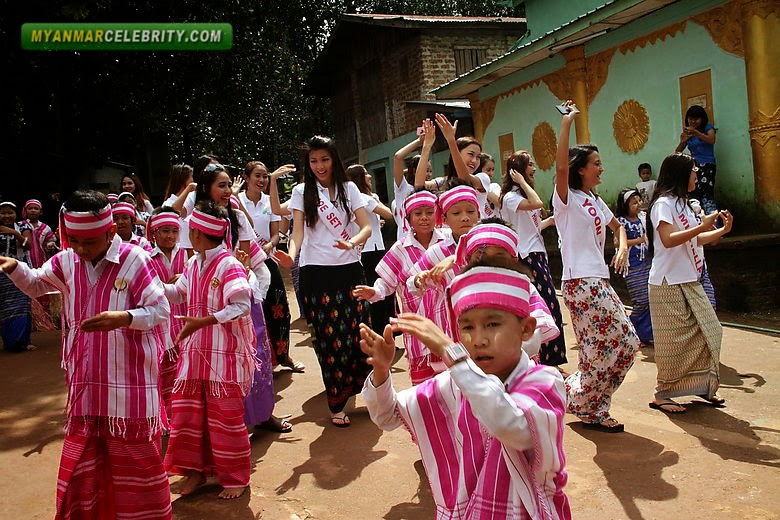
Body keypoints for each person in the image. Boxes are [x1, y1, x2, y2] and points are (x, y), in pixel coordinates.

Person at [0, 190, 172, 518]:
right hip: (86, 387)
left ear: (109, 233)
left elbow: (160, 308)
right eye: (74, 240)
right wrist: (15, 268)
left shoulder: (135, 260)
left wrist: (124, 318)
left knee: (139, 471)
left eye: (89, 241)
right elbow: (37, 283)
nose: (80, 248)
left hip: (130, 391)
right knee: (83, 468)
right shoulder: (68, 260)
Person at [360, 257, 571, 520]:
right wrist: (382, 371)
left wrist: (452, 354)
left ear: (526, 328)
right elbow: (388, 415)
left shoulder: (544, 381)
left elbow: (511, 425)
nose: (479, 339)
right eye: (467, 327)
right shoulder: (456, 381)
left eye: (493, 324)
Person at [553, 101, 639, 433]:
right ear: (581, 168)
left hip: (598, 280)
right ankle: (585, 400)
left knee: (618, 346)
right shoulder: (566, 199)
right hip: (579, 280)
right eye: (597, 163)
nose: (602, 168)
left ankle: (585, 400)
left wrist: (621, 251)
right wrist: (566, 124)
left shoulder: (594, 199)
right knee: (619, 342)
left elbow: (618, 227)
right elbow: (560, 168)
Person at [276, 135, 374, 427]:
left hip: (349, 270)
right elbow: (297, 234)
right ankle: (337, 401)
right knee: (329, 341)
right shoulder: (301, 191)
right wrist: (291, 256)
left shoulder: (349, 188)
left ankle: (364, 392)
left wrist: (352, 242)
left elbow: (366, 226)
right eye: (314, 161)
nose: (319, 166)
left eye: (325, 159)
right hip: (316, 274)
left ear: (334, 160)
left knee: (359, 334)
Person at [163, 201, 255, 499]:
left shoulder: (228, 264)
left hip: (223, 358)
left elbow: (242, 305)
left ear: (199, 234)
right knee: (190, 419)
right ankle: (196, 473)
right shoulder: (195, 263)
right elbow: (179, 293)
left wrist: (204, 320)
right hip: (195, 357)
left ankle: (236, 477)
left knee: (226, 420)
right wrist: (152, 284)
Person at [646, 153, 733, 414]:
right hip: (666, 281)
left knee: (710, 331)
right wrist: (701, 226)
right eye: (693, 171)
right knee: (672, 343)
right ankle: (663, 393)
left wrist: (720, 231)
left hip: (688, 278)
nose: (697, 174)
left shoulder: (684, 205)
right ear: (681, 175)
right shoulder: (663, 204)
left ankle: (703, 386)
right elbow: (669, 239)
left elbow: (694, 241)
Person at [353, 190, 449, 384]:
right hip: (416, 324)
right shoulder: (401, 248)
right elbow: (387, 282)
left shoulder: (447, 240)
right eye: (418, 213)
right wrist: (375, 292)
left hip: (447, 321)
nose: (424, 218)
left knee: (453, 379)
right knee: (425, 384)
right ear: (409, 218)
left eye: (429, 212)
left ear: (437, 214)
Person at [499, 151, 567, 368]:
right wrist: (520, 181)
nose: (534, 169)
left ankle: (550, 359)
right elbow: (536, 203)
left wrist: (551, 221)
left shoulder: (520, 196)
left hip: (536, 253)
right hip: (527, 256)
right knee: (545, 307)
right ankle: (547, 360)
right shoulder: (511, 198)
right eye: (529, 165)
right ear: (518, 170)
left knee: (550, 307)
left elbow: (533, 226)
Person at [405, 184, 479, 381]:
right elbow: (411, 282)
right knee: (460, 379)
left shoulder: (487, 241)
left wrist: (456, 258)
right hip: (453, 326)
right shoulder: (437, 251)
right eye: (457, 213)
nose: (465, 217)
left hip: (486, 319)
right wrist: (419, 280)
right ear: (444, 220)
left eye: (471, 211)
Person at [240, 160, 304, 372]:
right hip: (244, 263)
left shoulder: (270, 202)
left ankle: (283, 355)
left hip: (267, 259)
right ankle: (257, 362)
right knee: (251, 310)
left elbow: (276, 233)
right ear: (247, 178)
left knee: (279, 309)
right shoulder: (236, 200)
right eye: (257, 176)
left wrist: (270, 243)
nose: (261, 180)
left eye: (265, 176)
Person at [147, 207, 188, 422]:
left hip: (186, 322)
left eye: (173, 230)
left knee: (186, 371)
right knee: (163, 373)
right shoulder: (147, 258)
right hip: (161, 326)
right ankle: (166, 417)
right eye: (164, 231)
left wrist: (186, 277)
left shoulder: (188, 255)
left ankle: (182, 416)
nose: (169, 236)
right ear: (154, 232)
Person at [346, 163, 395, 335]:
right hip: (371, 251)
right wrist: (376, 200)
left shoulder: (358, 197)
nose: (370, 177)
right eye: (366, 174)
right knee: (379, 291)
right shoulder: (364, 197)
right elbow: (389, 213)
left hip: (369, 248)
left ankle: (378, 330)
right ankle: (381, 331)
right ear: (359, 178)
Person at [392, 119, 446, 240]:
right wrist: (420, 141)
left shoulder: (431, 189)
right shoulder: (403, 187)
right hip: (406, 240)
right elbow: (397, 157)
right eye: (425, 170)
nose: (428, 174)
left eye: (430, 171)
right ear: (414, 170)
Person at [615, 188, 653, 346]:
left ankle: (645, 334)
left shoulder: (643, 218)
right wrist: (640, 240)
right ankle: (631, 331)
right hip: (632, 265)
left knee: (650, 298)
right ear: (625, 205)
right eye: (634, 203)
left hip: (647, 262)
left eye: (639, 201)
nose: (638, 205)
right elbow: (618, 243)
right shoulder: (620, 222)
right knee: (640, 300)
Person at [0, 201, 36, 352]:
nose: (7, 216)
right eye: (3, 213)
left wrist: (14, 233)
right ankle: (10, 341)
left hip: (19, 269)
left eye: (10, 213)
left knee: (21, 305)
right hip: (1, 273)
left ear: (16, 214)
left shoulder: (23, 227)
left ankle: (22, 341)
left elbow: (28, 245)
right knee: (6, 307)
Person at [675, 105, 717, 214]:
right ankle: (697, 221)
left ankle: (712, 220)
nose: (693, 121)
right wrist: (683, 141)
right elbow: (677, 152)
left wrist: (696, 133)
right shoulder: (687, 133)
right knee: (693, 193)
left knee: (707, 193)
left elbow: (711, 140)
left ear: (702, 119)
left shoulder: (708, 128)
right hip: (693, 166)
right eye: (691, 118)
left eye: (696, 119)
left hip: (707, 165)